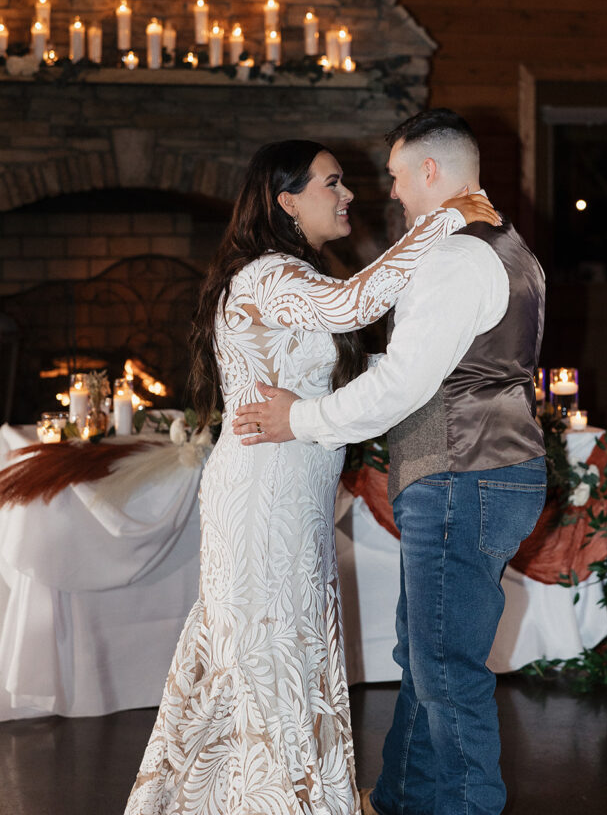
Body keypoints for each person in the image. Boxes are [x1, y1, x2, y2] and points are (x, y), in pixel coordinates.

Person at [123, 138, 499, 815]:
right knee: (268, 662)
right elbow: (353, 306)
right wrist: (449, 217)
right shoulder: (267, 273)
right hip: (261, 497)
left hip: (292, 496)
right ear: (285, 199)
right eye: (331, 183)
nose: (347, 193)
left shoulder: (290, 273)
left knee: (285, 660)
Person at [233, 111, 548, 815]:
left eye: (401, 177)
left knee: (446, 670)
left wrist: (300, 419)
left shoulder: (452, 255)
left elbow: (406, 385)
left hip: (460, 473)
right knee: (425, 656)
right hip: (487, 470)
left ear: (431, 172)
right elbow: (451, 366)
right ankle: (405, 797)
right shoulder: (506, 245)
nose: (395, 193)